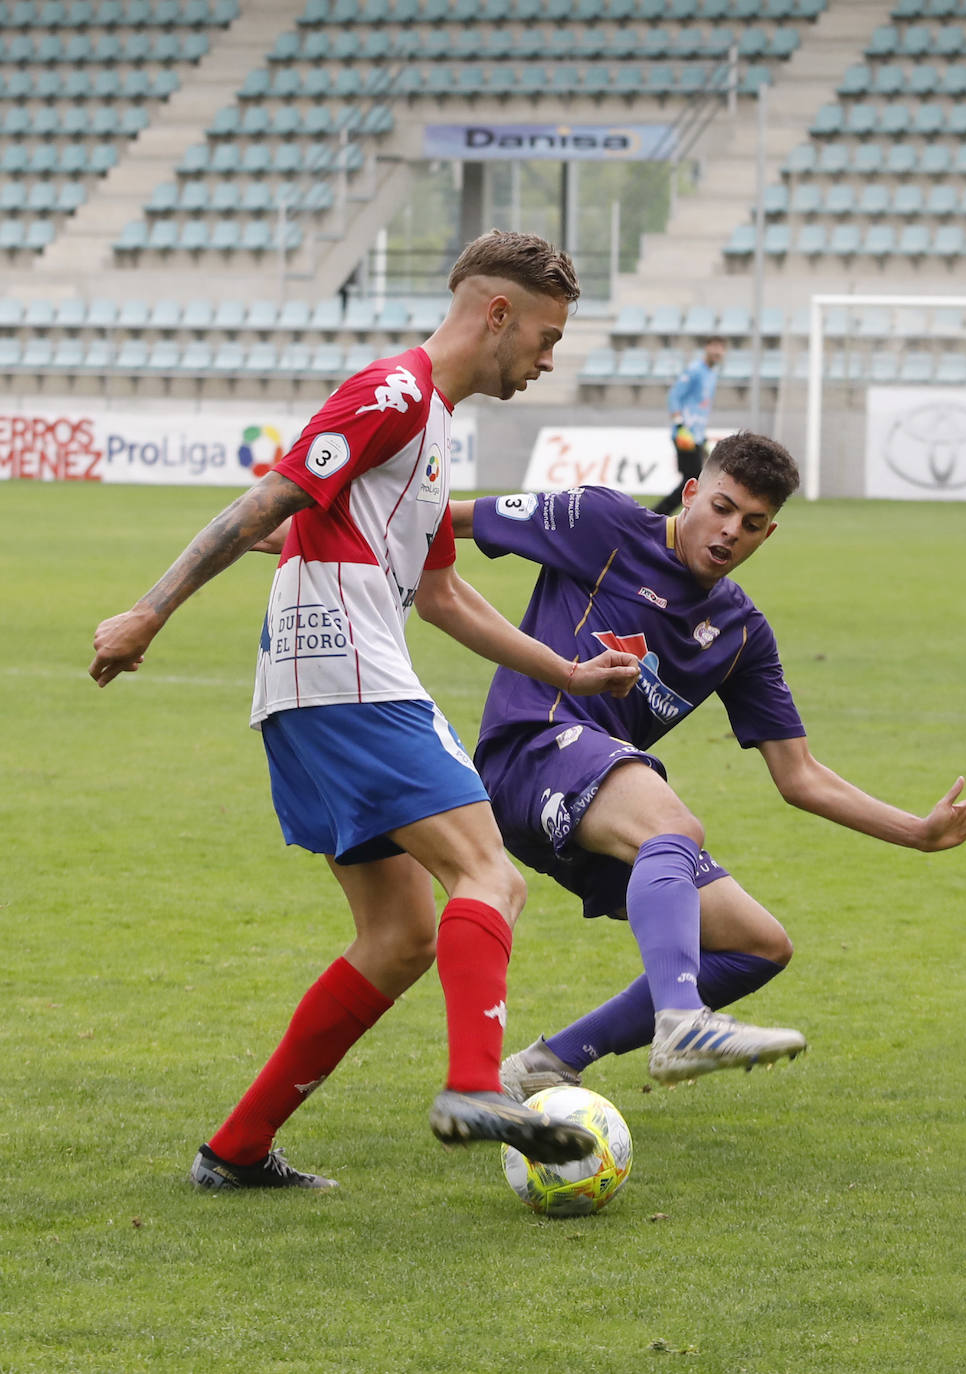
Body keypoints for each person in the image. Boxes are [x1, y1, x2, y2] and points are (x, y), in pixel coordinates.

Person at [88, 229, 641, 1191]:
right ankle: (476, 1088)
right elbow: (264, 504)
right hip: (347, 670)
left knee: (400, 938)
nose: (548, 361)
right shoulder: (391, 393)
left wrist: (568, 672)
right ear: (495, 313)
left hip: (316, 681)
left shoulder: (427, 424)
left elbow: (444, 596)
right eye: (546, 337)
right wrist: (149, 610)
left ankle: (238, 1149)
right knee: (489, 875)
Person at [447, 433, 966, 1102]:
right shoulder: (598, 521)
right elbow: (442, 516)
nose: (727, 532)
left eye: (749, 524)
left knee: (756, 945)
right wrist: (304, 522)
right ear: (691, 493)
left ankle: (544, 1064)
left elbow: (798, 774)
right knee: (673, 827)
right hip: (530, 748)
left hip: (594, 796)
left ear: (766, 535)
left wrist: (916, 832)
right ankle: (681, 1022)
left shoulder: (740, 631)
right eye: (719, 507)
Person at [653, 335, 727, 516]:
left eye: (721, 348)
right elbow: (674, 395)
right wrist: (679, 424)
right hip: (685, 434)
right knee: (693, 479)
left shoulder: (711, 374)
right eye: (715, 346)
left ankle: (661, 516)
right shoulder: (695, 370)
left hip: (697, 435)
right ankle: (657, 515)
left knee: (697, 478)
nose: (718, 351)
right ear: (707, 347)